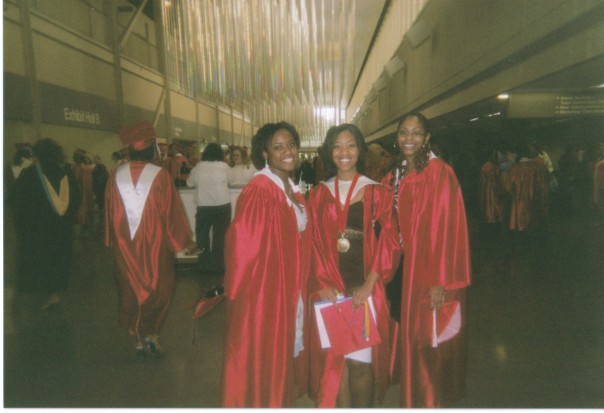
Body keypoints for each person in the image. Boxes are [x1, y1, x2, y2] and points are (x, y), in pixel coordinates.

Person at [307, 124, 401, 407]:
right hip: (330, 290)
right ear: (329, 151)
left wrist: (370, 284)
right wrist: (322, 283)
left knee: (360, 364)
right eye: (337, 146)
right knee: (337, 363)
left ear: (360, 150)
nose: (344, 152)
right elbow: (312, 243)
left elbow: (390, 241)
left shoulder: (376, 192)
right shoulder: (319, 194)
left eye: (350, 145)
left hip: (363, 289)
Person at [221, 122, 312, 407]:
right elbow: (241, 244)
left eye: (291, 144)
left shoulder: (288, 187)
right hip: (266, 293)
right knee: (264, 359)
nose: (288, 151)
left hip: (288, 287)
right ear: (265, 153)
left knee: (280, 357)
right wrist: (240, 297)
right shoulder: (260, 189)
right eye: (278, 147)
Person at [384, 112, 471, 407]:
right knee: (411, 335)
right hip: (403, 269)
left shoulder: (439, 172)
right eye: (403, 132)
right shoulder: (397, 173)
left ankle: (429, 401)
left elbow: (448, 228)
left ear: (427, 137)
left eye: (416, 132)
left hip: (428, 270)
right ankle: (413, 396)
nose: (409, 138)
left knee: (428, 340)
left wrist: (440, 281)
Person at [104, 121, 196, 359]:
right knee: (160, 287)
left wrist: (111, 238)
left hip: (125, 245)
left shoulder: (115, 176)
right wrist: (182, 242)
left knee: (130, 288)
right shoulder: (161, 175)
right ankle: (151, 335)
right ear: (151, 148)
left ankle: (138, 337)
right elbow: (172, 213)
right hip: (156, 245)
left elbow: (109, 212)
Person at [12, 138, 81, 310]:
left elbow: (17, 202)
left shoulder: (29, 174)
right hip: (62, 228)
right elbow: (76, 197)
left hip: (38, 229)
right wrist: (68, 218)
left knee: (40, 259)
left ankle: (41, 291)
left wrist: (22, 225)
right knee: (59, 259)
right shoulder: (66, 173)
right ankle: (54, 294)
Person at [186, 143, 233, 274]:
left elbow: (189, 183)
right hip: (223, 205)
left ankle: (204, 265)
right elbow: (232, 180)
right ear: (220, 154)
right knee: (221, 236)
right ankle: (219, 266)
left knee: (202, 236)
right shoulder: (224, 166)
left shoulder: (198, 167)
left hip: (204, 206)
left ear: (205, 153)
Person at [502, 144, 549, 234]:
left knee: (520, 227)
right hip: (533, 201)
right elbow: (541, 186)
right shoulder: (536, 168)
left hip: (518, 202)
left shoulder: (514, 168)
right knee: (533, 226)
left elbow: (507, 187)